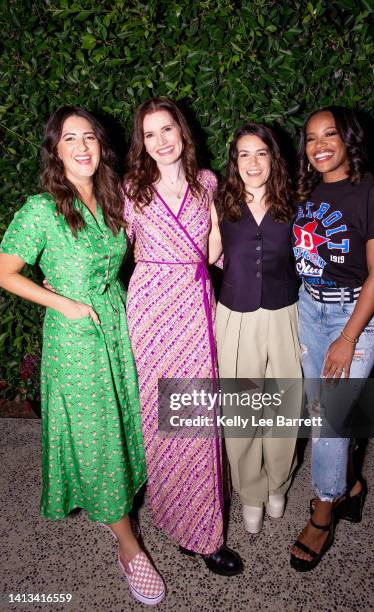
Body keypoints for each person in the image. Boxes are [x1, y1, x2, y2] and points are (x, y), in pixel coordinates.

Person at [0, 106, 165, 605]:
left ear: (101, 145)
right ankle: (128, 545)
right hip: (75, 337)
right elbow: (5, 273)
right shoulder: (40, 208)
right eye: (69, 138)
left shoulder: (114, 197)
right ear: (55, 149)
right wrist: (62, 300)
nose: (82, 146)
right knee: (96, 437)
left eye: (89, 136)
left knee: (124, 421)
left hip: (116, 321)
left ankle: (131, 503)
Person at [123, 98, 243, 575]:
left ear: (183, 132)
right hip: (151, 311)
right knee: (162, 421)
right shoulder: (133, 189)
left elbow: (215, 243)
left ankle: (205, 533)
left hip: (193, 305)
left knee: (196, 419)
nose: (160, 141)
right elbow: (110, 245)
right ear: (142, 143)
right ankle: (174, 517)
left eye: (167, 129)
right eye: (149, 134)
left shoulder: (207, 183)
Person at [290, 106, 374, 571]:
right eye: (311, 138)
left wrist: (348, 337)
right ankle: (351, 486)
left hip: (352, 313)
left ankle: (323, 510)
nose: (319, 145)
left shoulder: (373, 192)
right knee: (324, 408)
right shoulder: (308, 189)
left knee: (328, 420)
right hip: (309, 304)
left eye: (329, 134)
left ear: (348, 138)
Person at [208, 123, 302, 534]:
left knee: (284, 407)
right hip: (236, 316)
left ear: (273, 158)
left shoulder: (296, 203)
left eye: (261, 153)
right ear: (235, 161)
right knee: (242, 411)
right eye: (244, 154)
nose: (252, 162)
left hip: (285, 314)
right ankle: (250, 492)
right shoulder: (219, 203)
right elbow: (201, 254)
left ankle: (278, 483)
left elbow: (318, 262)